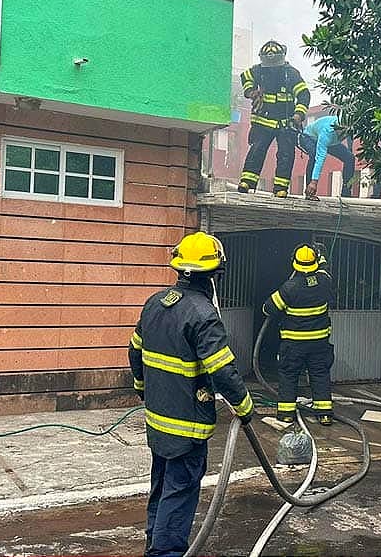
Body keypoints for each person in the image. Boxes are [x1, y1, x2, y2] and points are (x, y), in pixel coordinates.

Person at [129, 232, 254, 557]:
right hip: (187, 426)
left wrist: (142, 386)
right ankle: (165, 553)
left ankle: (153, 547)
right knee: (179, 492)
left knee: (161, 487)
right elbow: (223, 371)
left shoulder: (155, 304)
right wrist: (244, 405)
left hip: (157, 422)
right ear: (215, 274)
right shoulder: (203, 315)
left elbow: (134, 351)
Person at [263, 243, 334, 425]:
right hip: (319, 343)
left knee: (289, 375)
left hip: (294, 344)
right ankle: (325, 413)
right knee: (320, 374)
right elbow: (325, 269)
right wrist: (321, 255)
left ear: (294, 263)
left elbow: (268, 309)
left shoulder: (290, 287)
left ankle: (286, 414)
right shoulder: (325, 282)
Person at [238, 40, 311, 198]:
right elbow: (245, 77)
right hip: (263, 120)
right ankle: (247, 182)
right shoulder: (259, 70)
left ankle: (281, 188)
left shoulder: (291, 74)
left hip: (285, 123)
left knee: (285, 154)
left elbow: (304, 94)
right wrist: (251, 92)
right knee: (257, 150)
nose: (271, 68)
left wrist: (298, 115)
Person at [299, 115, 355, 200]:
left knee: (350, 158)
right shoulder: (327, 133)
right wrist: (314, 182)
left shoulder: (350, 126)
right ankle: (309, 191)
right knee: (314, 156)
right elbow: (320, 158)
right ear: (337, 129)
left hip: (332, 143)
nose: (344, 136)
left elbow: (350, 139)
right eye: (342, 133)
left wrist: (350, 149)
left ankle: (346, 191)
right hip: (309, 137)